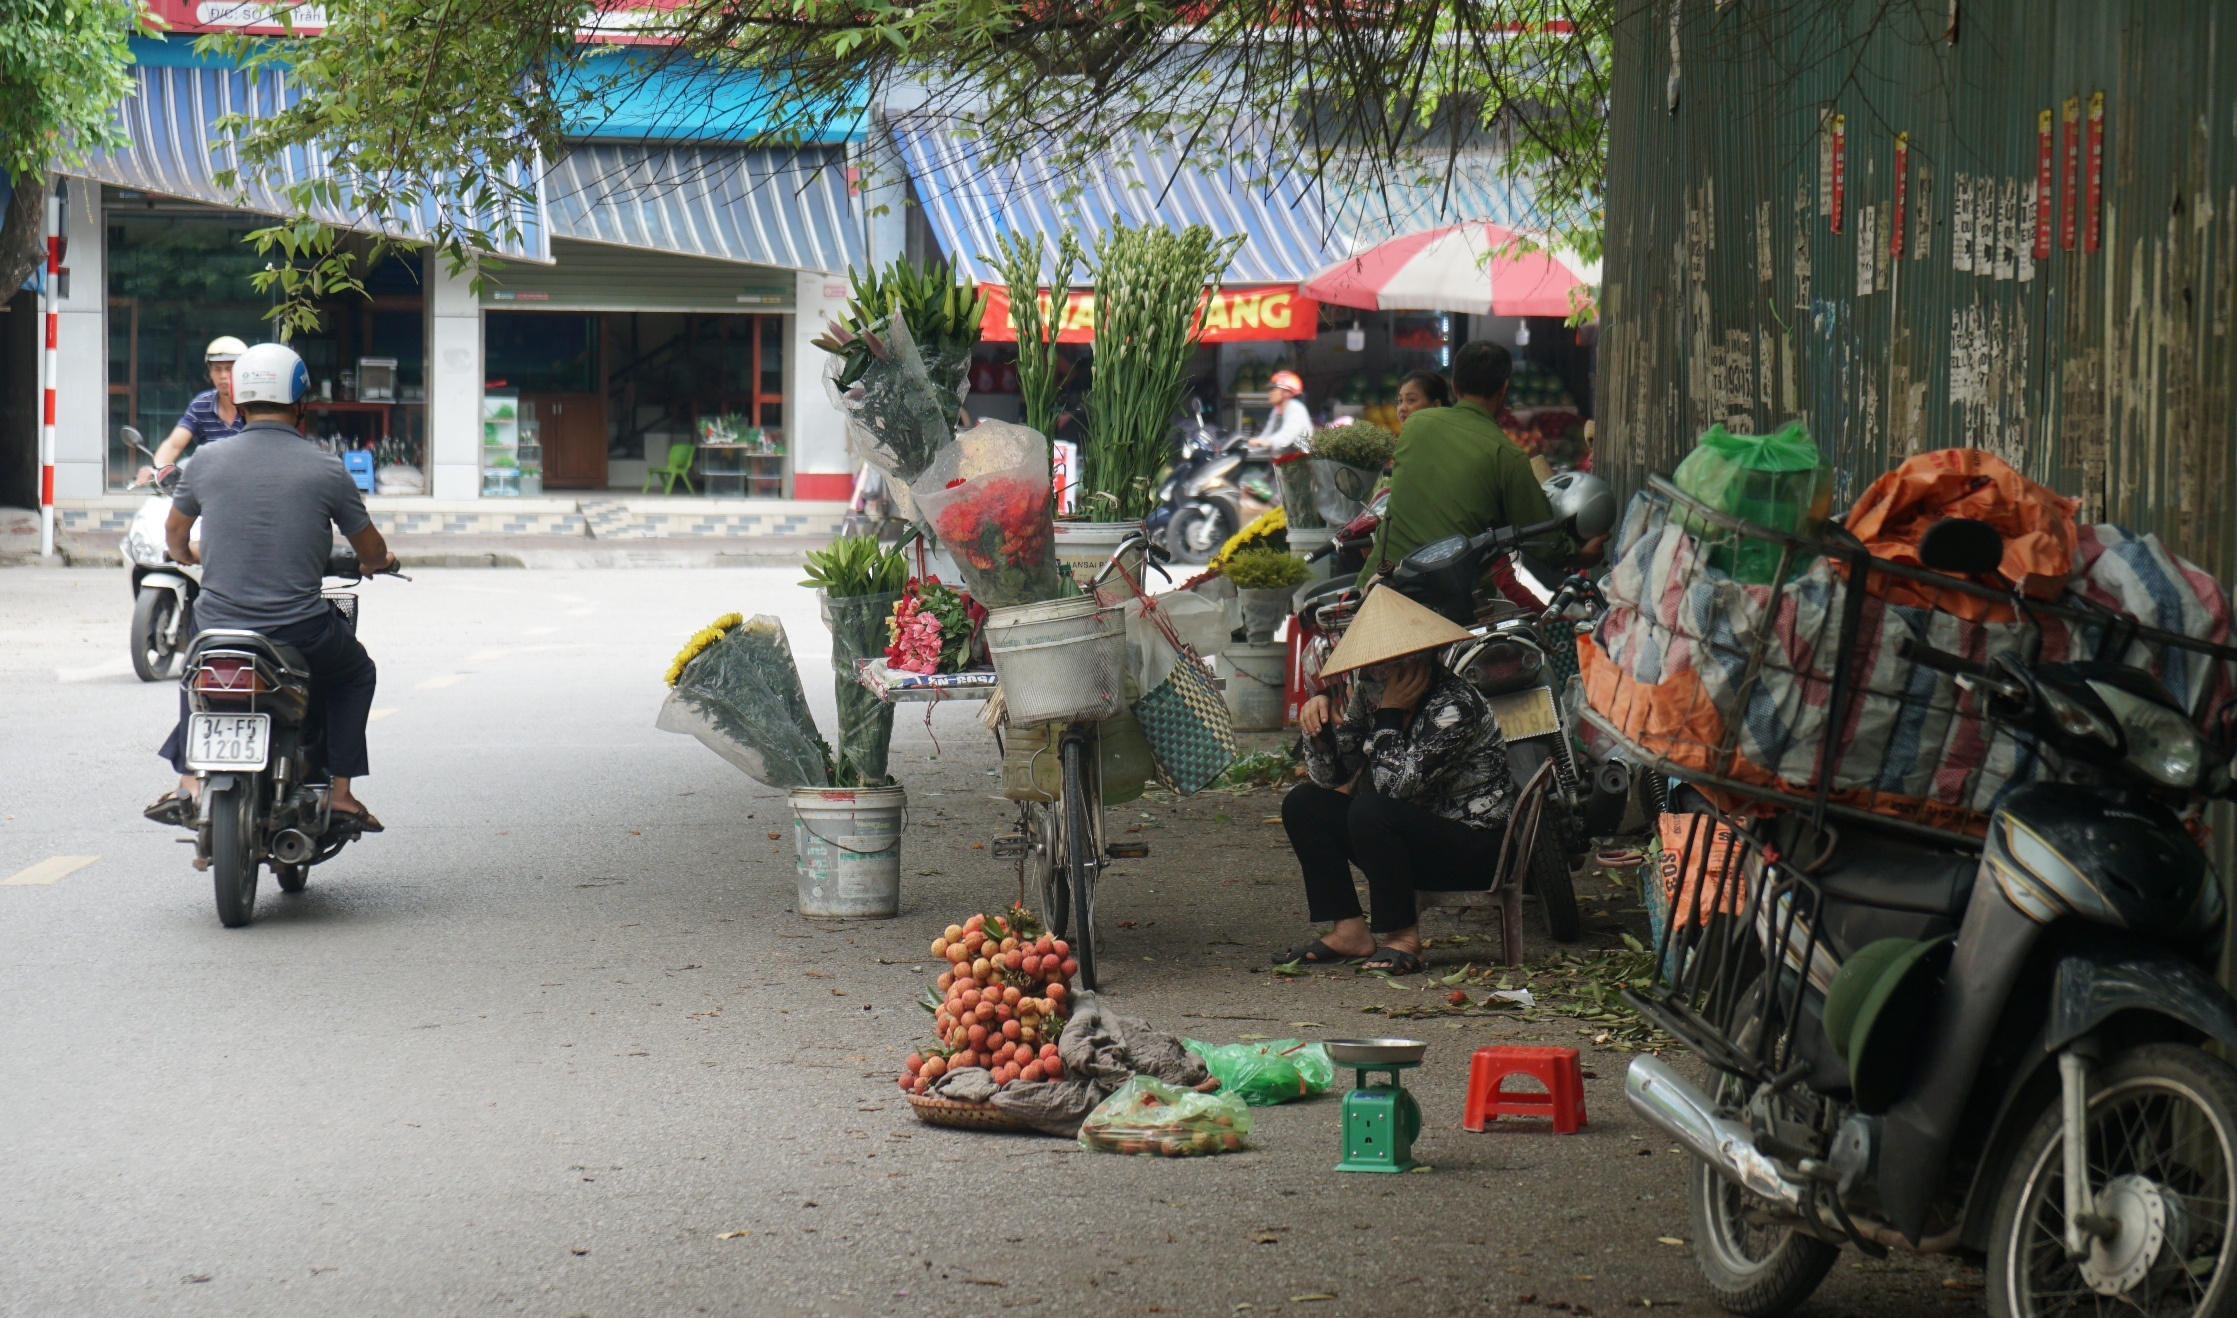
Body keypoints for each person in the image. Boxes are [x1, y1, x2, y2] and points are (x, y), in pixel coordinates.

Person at [143, 342, 397, 832]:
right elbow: (369, 550)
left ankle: (192, 782)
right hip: (300, 632)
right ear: (300, 403)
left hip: (219, 626)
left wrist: (186, 555)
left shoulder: (206, 461)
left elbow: (175, 535)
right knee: (355, 673)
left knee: (198, 666)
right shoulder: (327, 467)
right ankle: (341, 794)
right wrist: (379, 562)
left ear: (238, 401)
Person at [1278, 586, 1516, 975]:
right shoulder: (1373, 693)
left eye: (1393, 667)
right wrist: (1318, 731)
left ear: (1423, 661)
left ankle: (1404, 939)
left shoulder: (1454, 706)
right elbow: (1332, 776)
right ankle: (1350, 932)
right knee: (1304, 804)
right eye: (1373, 669)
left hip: (1476, 851)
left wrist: (1389, 714)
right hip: (1406, 843)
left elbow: (1393, 789)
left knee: (1372, 808)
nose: (1379, 678)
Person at [1359, 339, 1603, 586]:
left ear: (1454, 386)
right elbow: (1542, 540)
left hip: (1377, 585)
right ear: (1504, 388)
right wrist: (1582, 556)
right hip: (1447, 601)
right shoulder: (1509, 457)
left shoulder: (1415, 425)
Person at [137, 336, 250, 482]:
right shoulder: (202, 404)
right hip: (209, 485)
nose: (223, 376)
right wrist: (156, 469)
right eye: (217, 369)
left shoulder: (256, 406)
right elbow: (174, 444)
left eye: (230, 369)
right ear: (210, 372)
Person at [1249, 369, 1314, 455]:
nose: (1270, 393)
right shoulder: (1276, 411)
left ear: (1286, 393)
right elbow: (1267, 433)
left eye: (1274, 390)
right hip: (1282, 459)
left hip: (1301, 460)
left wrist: (1266, 442)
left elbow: (1286, 436)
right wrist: (1252, 445)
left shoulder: (1296, 409)